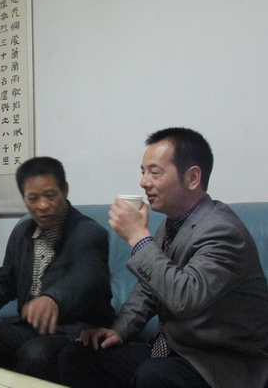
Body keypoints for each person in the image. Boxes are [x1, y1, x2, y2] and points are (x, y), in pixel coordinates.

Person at [58, 127, 268, 388]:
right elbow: (149, 289)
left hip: (217, 362)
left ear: (192, 177)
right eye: (143, 172)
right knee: (78, 357)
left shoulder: (222, 230)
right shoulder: (171, 224)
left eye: (154, 172)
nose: (144, 182)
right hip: (172, 352)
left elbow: (185, 298)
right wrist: (118, 331)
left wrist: (138, 237)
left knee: (155, 375)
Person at [0, 157, 116, 383]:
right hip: (31, 328)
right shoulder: (23, 232)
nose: (42, 205)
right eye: (33, 198)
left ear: (65, 190)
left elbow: (86, 276)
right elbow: (6, 279)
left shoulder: (88, 231)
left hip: (77, 330)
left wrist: (53, 298)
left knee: (36, 354)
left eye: (50, 195)